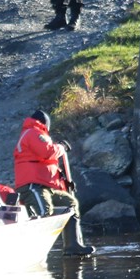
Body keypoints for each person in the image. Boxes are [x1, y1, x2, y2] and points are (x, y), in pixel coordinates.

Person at [13, 110, 94, 256]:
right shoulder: (32, 132)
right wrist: (61, 148)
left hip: (44, 186)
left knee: (70, 204)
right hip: (32, 186)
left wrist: (64, 183)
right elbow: (48, 152)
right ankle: (30, 252)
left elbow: (47, 166)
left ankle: (72, 245)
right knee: (44, 213)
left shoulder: (37, 134)